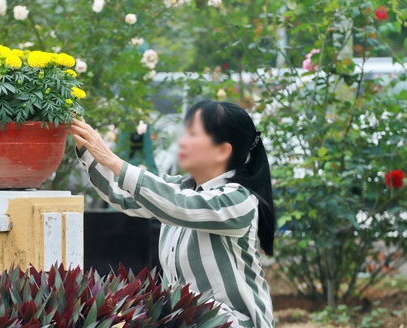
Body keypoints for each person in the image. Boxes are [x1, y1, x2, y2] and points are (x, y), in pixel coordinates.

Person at [70, 100, 275, 328]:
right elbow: (122, 195)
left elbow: (179, 204)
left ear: (222, 151)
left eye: (192, 134)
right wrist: (84, 143)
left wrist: (112, 159)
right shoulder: (179, 189)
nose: (181, 142)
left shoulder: (238, 200)